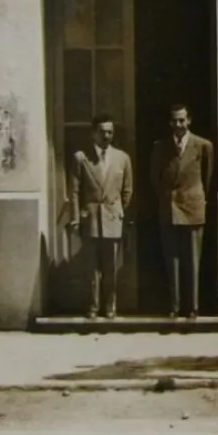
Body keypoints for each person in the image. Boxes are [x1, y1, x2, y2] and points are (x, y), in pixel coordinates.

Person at [150, 103, 215, 320]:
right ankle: (175, 307)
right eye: (174, 120)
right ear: (170, 122)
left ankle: (193, 308)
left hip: (193, 208)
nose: (178, 124)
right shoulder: (160, 147)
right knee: (173, 260)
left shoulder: (203, 146)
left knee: (193, 260)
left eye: (182, 120)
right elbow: (155, 178)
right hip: (169, 208)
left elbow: (207, 177)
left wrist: (195, 197)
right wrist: (168, 198)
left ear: (189, 121)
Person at [67, 114, 133, 320]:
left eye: (110, 132)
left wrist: (119, 211)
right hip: (91, 219)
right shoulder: (81, 158)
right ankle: (93, 307)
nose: (106, 136)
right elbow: (74, 191)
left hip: (113, 218)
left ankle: (110, 307)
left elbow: (127, 190)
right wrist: (76, 218)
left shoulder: (122, 158)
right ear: (93, 133)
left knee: (111, 267)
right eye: (102, 132)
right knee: (92, 268)